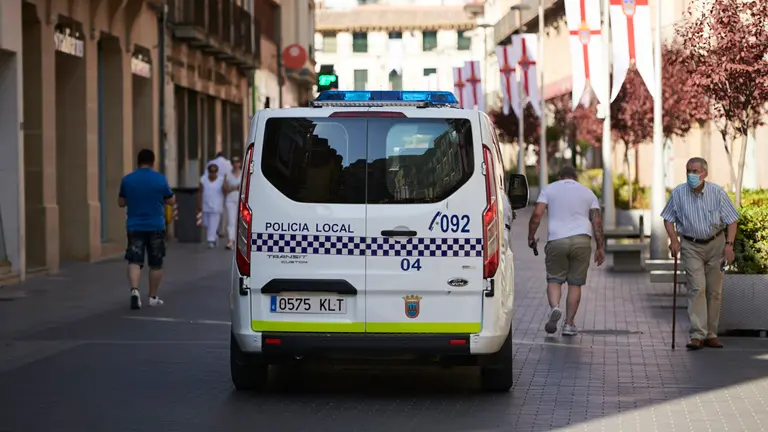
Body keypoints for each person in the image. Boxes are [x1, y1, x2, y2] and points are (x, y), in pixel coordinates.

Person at [661, 157, 739, 350]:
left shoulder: (717, 192)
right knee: (697, 288)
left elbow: (732, 220)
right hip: (691, 245)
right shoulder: (679, 193)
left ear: (705, 173)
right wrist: (673, 239)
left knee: (714, 291)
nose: (691, 175)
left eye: (695, 171)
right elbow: (668, 218)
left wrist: (729, 245)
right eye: (689, 170)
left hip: (716, 244)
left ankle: (711, 334)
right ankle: (697, 334)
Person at [527, 165, 605, 336]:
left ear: (559, 176)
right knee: (575, 283)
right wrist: (600, 247)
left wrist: (531, 237)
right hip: (582, 240)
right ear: (575, 178)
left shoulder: (549, 189)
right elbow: (596, 222)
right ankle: (569, 324)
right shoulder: (588, 193)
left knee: (554, 279)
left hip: (557, 239)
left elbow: (537, 215)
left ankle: (555, 307)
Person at [119, 149, 176, 310]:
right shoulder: (160, 180)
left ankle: (134, 291)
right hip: (155, 226)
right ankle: (152, 296)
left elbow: (121, 202)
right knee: (156, 263)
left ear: (137, 161)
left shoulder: (127, 180)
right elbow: (170, 200)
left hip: (134, 226)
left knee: (134, 260)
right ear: (153, 162)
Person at [198, 162, 226, 248]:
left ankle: (211, 241)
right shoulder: (203, 179)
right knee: (206, 224)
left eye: (214, 171)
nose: (213, 173)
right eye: (211, 171)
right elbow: (200, 192)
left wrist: (225, 182)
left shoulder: (221, 180)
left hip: (216, 206)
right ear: (208, 172)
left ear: (217, 172)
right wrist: (199, 204)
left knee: (213, 224)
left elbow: (225, 191)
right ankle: (214, 236)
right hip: (205, 205)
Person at [223, 156, 243, 249]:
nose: (236, 164)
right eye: (234, 162)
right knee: (231, 220)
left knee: (239, 220)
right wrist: (235, 187)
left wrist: (234, 188)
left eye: (237, 162)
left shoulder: (243, 174)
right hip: (230, 200)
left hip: (241, 200)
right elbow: (225, 188)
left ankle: (238, 240)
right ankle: (231, 240)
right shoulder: (228, 174)